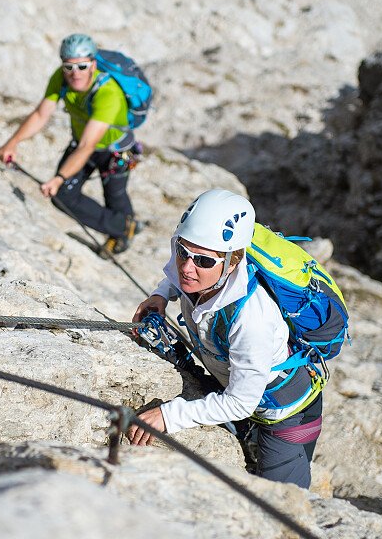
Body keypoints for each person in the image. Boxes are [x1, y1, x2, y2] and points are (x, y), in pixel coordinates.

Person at [127, 189, 324, 488]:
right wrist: (160, 294)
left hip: (286, 414)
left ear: (233, 262)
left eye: (204, 261)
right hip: (238, 385)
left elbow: (241, 402)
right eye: (182, 251)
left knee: (279, 502)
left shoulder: (251, 319)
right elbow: (176, 275)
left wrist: (168, 416)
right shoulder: (201, 273)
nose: (187, 267)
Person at [0, 33, 141, 255]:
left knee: (115, 195)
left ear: (93, 64)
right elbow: (41, 115)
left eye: (82, 66)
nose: (75, 73)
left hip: (115, 151)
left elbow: (87, 145)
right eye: (69, 67)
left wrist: (59, 178)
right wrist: (12, 143)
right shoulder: (61, 78)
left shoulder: (108, 93)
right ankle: (124, 227)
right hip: (84, 144)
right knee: (63, 195)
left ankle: (122, 230)